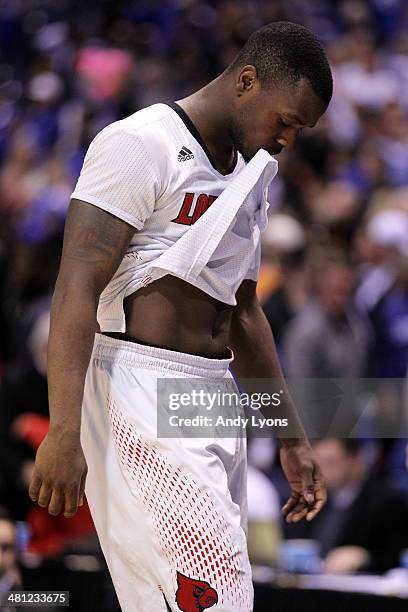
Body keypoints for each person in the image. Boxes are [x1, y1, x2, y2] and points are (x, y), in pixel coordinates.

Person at [29, 22, 333, 611]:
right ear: (248, 81)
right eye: (287, 121)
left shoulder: (253, 171)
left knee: (182, 599)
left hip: (212, 396)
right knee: (212, 600)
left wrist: (291, 436)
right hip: (137, 385)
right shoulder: (140, 143)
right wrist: (63, 427)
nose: (287, 140)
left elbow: (243, 313)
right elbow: (75, 285)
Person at [284, 439, 408, 574]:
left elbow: (397, 556)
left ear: (354, 459)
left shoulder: (387, 502)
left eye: (330, 462)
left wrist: (366, 558)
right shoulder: (313, 499)